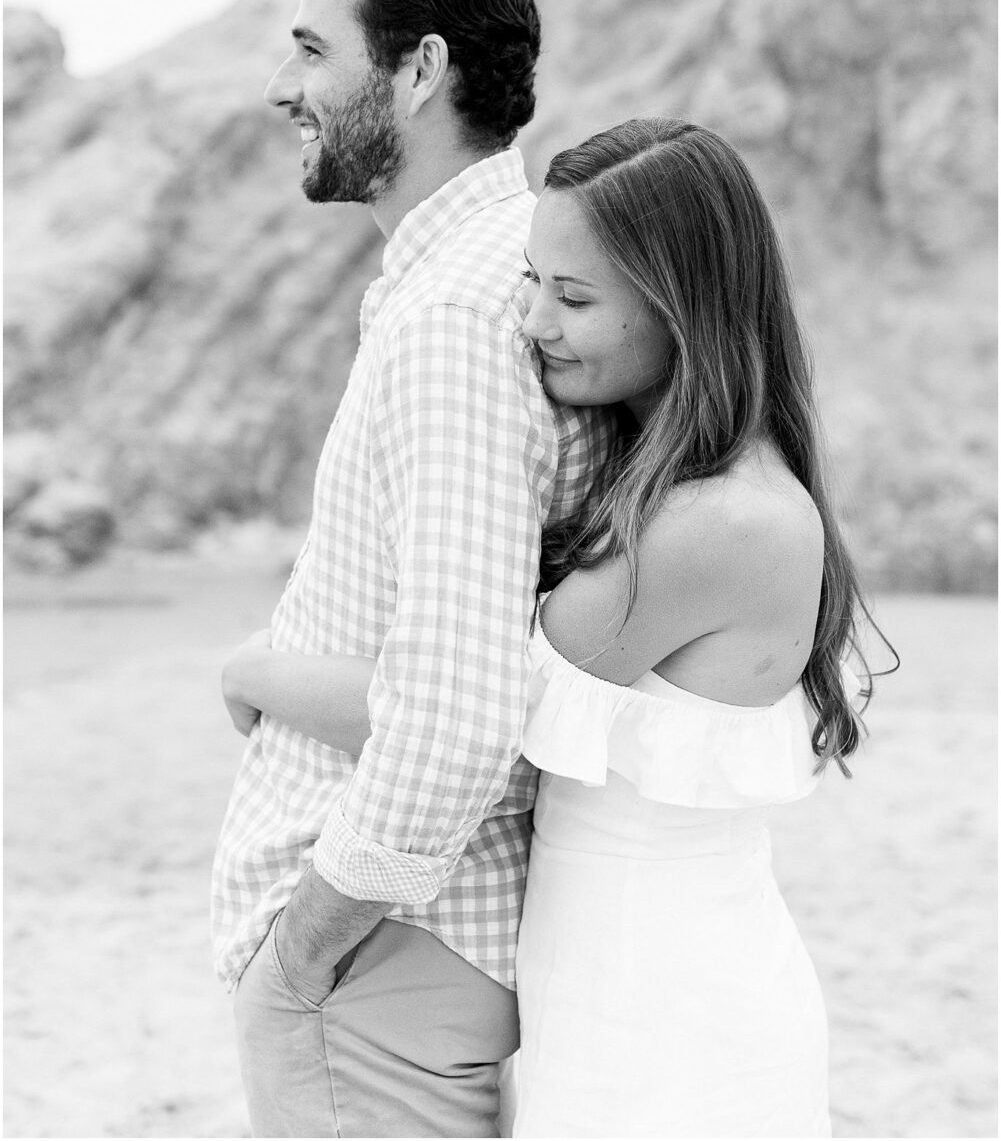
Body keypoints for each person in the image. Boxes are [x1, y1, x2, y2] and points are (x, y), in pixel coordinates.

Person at [225, 117, 895, 1138]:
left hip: (663, 1010)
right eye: (531, 281)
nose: (533, 321)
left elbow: (463, 714)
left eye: (574, 297)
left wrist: (255, 672)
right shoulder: (695, 488)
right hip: (619, 979)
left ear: (684, 307)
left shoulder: (714, 524)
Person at [211, 0, 610, 1140]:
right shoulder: (512, 273)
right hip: (419, 962)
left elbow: (457, 704)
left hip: (382, 965)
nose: (284, 88)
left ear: (420, 69)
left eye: (312, 52)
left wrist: (301, 955)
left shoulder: (457, 312)